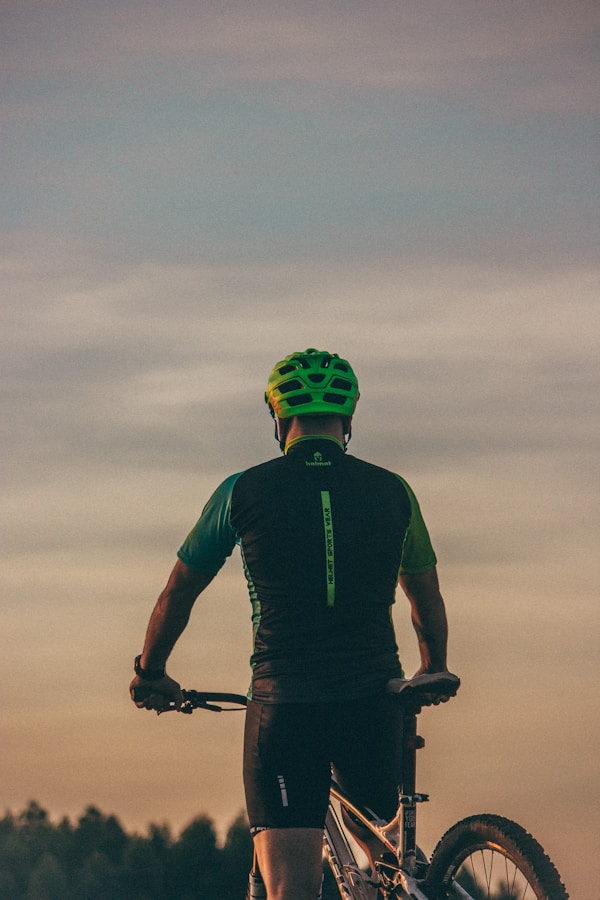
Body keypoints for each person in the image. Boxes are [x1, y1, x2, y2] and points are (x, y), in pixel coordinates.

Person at [130, 348, 455, 900]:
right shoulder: (393, 491)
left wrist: (151, 670)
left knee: (290, 887)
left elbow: (180, 589)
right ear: (348, 418)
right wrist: (435, 666)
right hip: (375, 697)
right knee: (387, 858)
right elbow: (424, 594)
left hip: (286, 703)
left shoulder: (243, 490)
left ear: (279, 419)